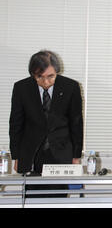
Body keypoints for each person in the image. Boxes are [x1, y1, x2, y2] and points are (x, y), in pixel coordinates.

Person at [9, 50, 83, 197]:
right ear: (32, 74)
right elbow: (16, 124)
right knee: (32, 199)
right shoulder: (21, 88)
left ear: (57, 72)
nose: (46, 82)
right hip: (31, 154)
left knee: (57, 199)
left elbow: (76, 124)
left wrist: (76, 156)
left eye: (51, 76)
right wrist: (16, 157)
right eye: (40, 77)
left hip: (60, 153)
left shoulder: (71, 87)